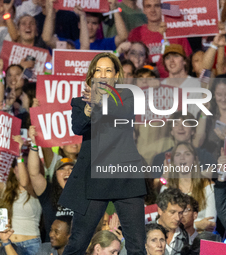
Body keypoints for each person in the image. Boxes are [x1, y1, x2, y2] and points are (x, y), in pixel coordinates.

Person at [58, 52, 147, 254]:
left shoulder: (128, 97)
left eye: (108, 70)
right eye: (98, 70)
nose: (103, 75)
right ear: (92, 76)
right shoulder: (80, 102)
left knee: (136, 246)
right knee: (78, 242)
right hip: (93, 178)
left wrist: (102, 101)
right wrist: (91, 106)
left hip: (125, 177)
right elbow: (79, 127)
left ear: (116, 76)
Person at [0, 135, 42, 255]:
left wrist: (19, 155)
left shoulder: (36, 189)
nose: (23, 168)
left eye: (27, 165)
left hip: (32, 245)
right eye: (20, 165)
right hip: (8, 244)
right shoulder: (5, 189)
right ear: (14, 170)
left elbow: (25, 182)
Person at [28, 127, 74, 241]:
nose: (67, 171)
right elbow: (34, 173)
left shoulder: (83, 193)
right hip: (52, 249)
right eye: (62, 169)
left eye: (71, 168)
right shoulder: (48, 192)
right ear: (55, 174)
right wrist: (34, 144)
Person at [160, 142, 217, 232]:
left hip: (201, 240)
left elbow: (210, 223)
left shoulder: (208, 186)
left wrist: (180, 225)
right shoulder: (166, 189)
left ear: (195, 160)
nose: (182, 157)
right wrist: (197, 224)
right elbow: (165, 223)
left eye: (187, 154)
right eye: (178, 154)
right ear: (173, 161)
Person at [127, 0, 192, 78]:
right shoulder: (135, 34)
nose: (153, 10)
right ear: (143, 10)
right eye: (148, 6)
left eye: (157, 6)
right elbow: (128, 64)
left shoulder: (175, 33)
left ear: (163, 9)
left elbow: (188, 62)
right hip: (144, 84)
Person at [197, 74, 226, 159]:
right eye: (219, 95)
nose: (223, 99)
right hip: (210, 168)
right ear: (214, 95)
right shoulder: (207, 114)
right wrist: (204, 112)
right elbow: (197, 143)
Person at [155, 188, 189, 255]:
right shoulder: (144, 234)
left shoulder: (185, 236)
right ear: (160, 211)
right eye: (172, 212)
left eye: (180, 213)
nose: (177, 218)